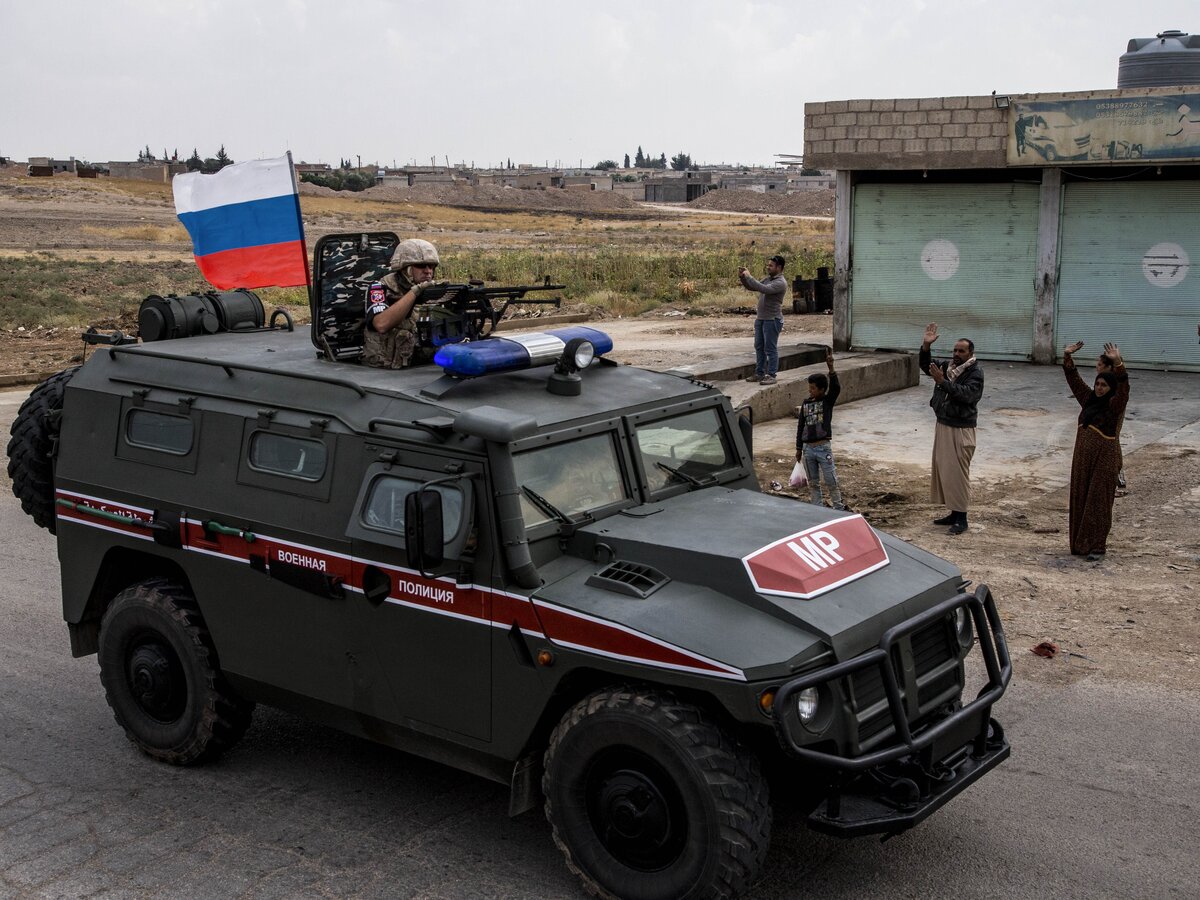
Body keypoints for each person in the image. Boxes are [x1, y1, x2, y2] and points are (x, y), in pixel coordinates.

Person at [1063, 341, 1129, 561]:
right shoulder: (1089, 399)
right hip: (1083, 458)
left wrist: (1119, 364)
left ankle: (1098, 545)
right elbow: (1074, 380)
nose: (1099, 388)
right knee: (1082, 496)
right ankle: (1082, 543)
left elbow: (1124, 390)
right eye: (1097, 384)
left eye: (1104, 386)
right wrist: (1067, 357)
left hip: (1104, 458)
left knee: (1099, 501)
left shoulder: (1113, 406)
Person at [919, 323, 983, 535]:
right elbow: (925, 365)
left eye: (961, 351)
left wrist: (942, 382)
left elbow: (967, 395)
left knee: (958, 474)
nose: (956, 354)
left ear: (970, 353)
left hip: (960, 428)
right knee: (945, 471)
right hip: (944, 423)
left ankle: (961, 519)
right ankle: (954, 513)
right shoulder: (949, 367)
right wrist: (926, 346)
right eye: (955, 350)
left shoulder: (975, 373)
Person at [363, 238, 445, 369]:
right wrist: (414, 293)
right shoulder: (380, 288)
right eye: (421, 266)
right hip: (385, 367)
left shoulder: (431, 291)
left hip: (422, 364)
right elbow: (381, 324)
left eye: (431, 266)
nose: (428, 271)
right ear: (405, 269)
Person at [795, 347, 846, 510]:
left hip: (823, 448)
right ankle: (817, 510)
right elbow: (800, 425)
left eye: (813, 388)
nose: (810, 391)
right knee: (813, 482)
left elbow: (836, 388)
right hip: (808, 449)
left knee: (831, 480)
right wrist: (798, 448)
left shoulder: (827, 402)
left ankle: (838, 508)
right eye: (809, 388)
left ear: (822, 389)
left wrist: (831, 369)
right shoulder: (806, 403)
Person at [738, 254, 787, 385]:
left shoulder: (780, 282)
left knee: (770, 348)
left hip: (772, 320)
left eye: (771, 265)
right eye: (768, 265)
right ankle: (759, 373)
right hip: (761, 319)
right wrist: (743, 278)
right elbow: (753, 287)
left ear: (779, 267)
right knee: (759, 346)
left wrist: (749, 276)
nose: (768, 267)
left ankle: (771, 375)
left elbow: (763, 289)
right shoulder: (769, 279)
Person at [1095, 350, 1128, 489]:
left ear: (1109, 367)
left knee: (1113, 439)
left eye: (1100, 364)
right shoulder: (1102, 382)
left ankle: (1118, 475)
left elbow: (1123, 392)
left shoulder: (1115, 383)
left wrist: (1118, 362)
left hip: (1114, 413)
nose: (1097, 367)